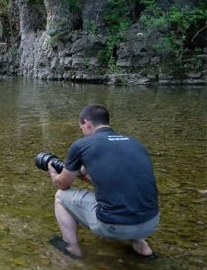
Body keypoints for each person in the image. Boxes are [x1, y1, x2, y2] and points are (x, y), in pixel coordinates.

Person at [48, 103, 159, 260]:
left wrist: (53, 173)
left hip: (113, 226)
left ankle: (72, 247)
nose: (83, 132)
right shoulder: (135, 143)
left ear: (86, 123)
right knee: (130, 192)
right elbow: (117, 183)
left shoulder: (81, 145)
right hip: (151, 222)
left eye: (81, 128)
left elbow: (63, 184)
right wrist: (84, 175)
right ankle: (142, 246)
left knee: (60, 196)